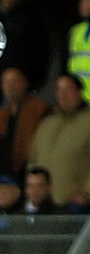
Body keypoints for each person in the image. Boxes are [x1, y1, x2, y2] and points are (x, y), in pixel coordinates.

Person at [27, 74, 90, 212]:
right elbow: (32, 157)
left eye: (67, 89)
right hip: (44, 205)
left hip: (76, 205)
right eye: (59, 90)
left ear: (79, 91)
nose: (62, 94)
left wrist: (87, 193)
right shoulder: (47, 123)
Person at [0, 68, 51, 181]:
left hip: (31, 171)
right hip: (6, 174)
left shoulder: (39, 109)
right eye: (6, 83)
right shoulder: (0, 116)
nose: (10, 87)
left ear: (24, 83)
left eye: (14, 81)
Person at [67, 0, 90, 103]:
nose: (81, 4)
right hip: (77, 96)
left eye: (87, 0)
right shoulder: (75, 31)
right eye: (81, 0)